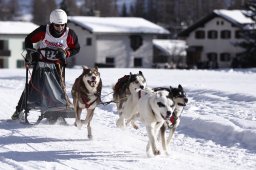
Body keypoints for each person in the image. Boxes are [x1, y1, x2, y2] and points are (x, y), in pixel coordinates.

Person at [11, 9, 80, 120]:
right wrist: (31, 53)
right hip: (41, 64)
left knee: (58, 88)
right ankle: (19, 109)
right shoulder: (44, 30)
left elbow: (76, 48)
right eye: (57, 25)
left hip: (57, 66)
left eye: (62, 25)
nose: (60, 28)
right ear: (52, 23)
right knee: (33, 86)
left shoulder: (70, 34)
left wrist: (66, 53)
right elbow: (29, 39)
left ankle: (56, 113)